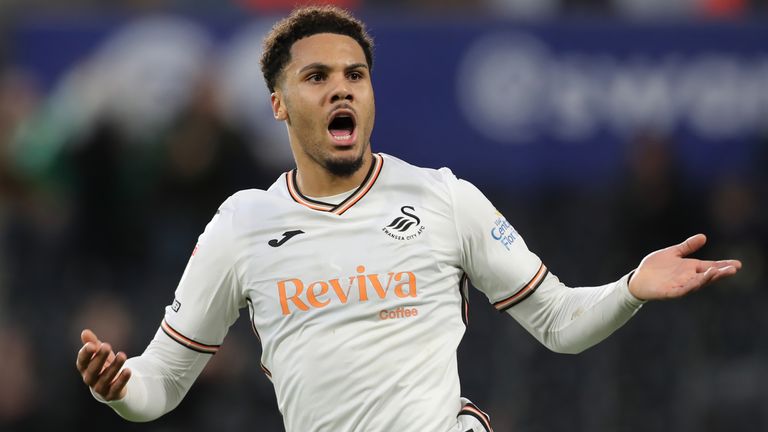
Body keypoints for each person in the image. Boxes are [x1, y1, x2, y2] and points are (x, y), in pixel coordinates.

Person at [75, 6, 742, 432]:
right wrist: (118, 388)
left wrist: (631, 288)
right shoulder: (242, 225)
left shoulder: (444, 199)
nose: (341, 87)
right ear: (278, 104)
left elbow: (560, 323)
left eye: (355, 74)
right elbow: (158, 385)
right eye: (316, 77)